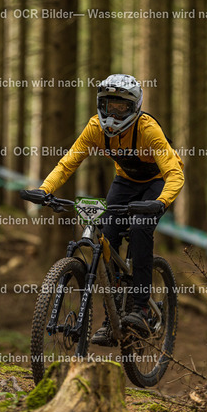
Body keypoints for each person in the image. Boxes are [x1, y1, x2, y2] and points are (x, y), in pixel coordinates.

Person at [23, 74, 184, 346]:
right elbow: (68, 163)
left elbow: (175, 173)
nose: (113, 114)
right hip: (125, 181)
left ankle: (141, 309)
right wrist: (45, 189)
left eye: (121, 107)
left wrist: (160, 202)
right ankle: (113, 319)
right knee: (107, 236)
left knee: (140, 229)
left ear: (134, 107)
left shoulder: (147, 129)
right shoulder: (95, 128)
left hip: (157, 182)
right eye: (109, 106)